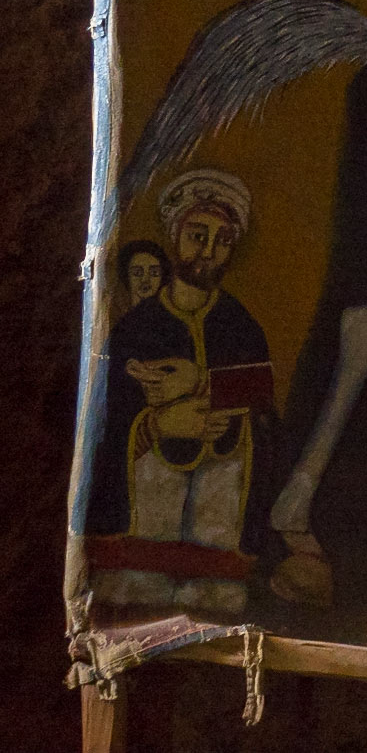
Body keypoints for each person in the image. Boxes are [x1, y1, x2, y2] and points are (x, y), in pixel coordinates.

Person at [87, 170, 275, 618]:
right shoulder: (136, 329)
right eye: (197, 235)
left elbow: (264, 405)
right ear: (175, 237)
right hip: (146, 516)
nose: (208, 251)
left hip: (219, 512)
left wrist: (198, 382)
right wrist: (153, 425)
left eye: (222, 240)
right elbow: (104, 420)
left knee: (215, 606)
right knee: (137, 605)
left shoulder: (241, 325)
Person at [117, 238, 168, 312]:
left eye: (154, 273)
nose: (145, 280)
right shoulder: (123, 321)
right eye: (137, 273)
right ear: (126, 277)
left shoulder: (171, 321)